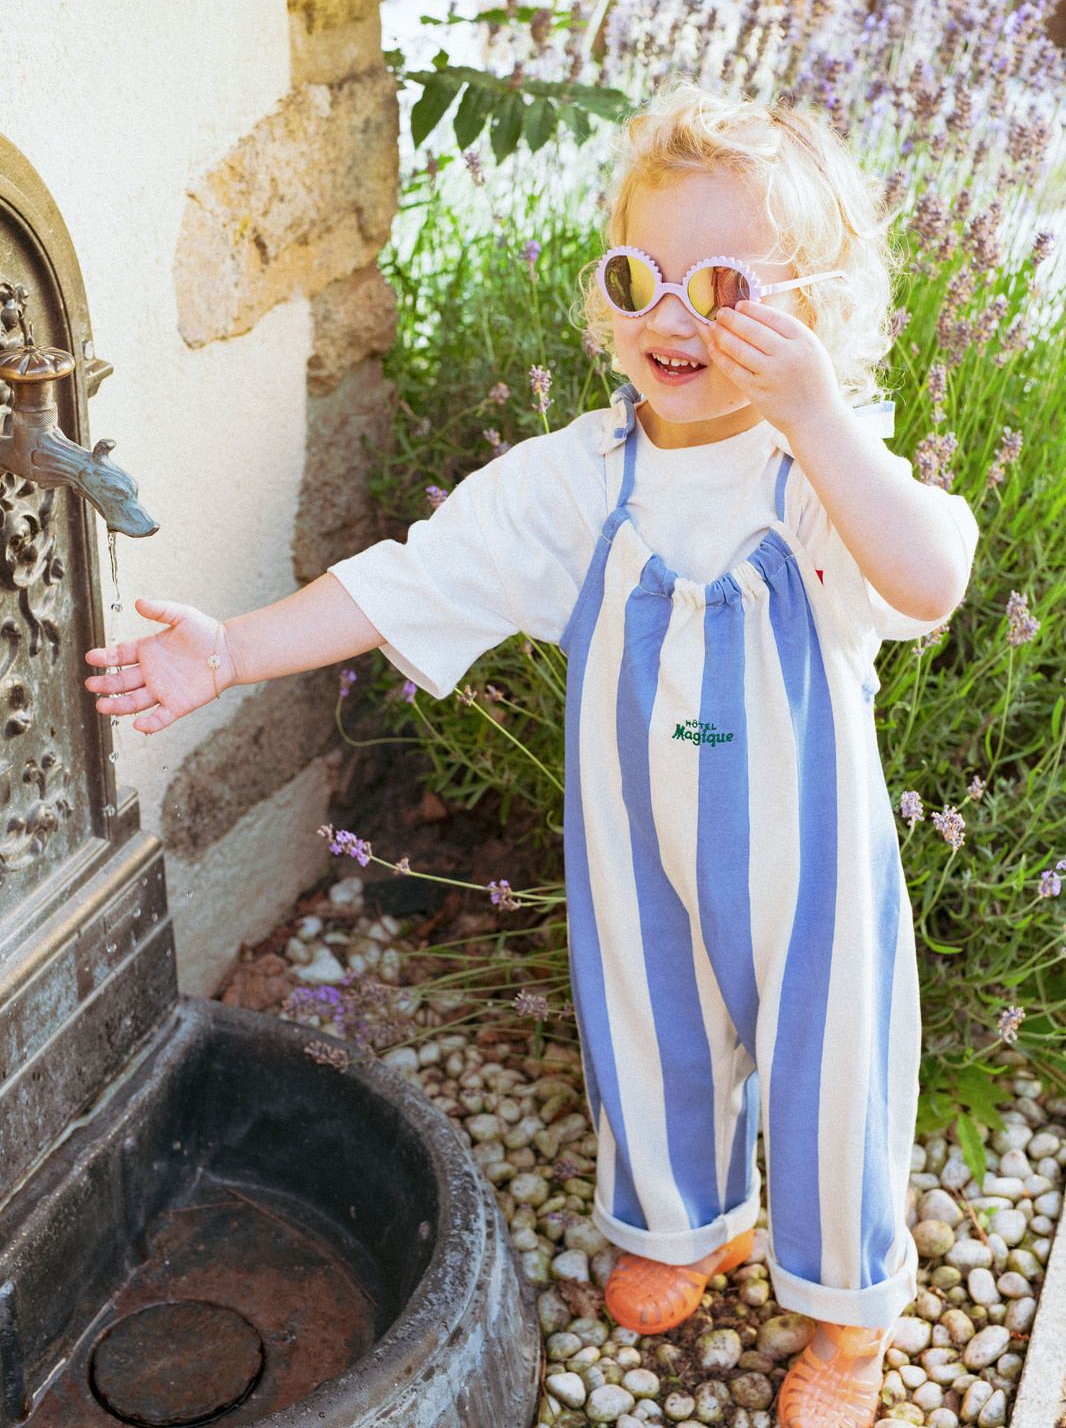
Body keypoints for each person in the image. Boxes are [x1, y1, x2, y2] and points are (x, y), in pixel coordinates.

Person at [87, 85, 978, 1428]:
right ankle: (689, 1227)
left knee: (834, 1069)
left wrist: (820, 416)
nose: (672, 318)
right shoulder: (578, 480)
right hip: (640, 853)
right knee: (650, 1032)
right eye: (638, 278)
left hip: (814, 877)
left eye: (724, 289)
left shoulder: (817, 479)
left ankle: (847, 1314)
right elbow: (410, 576)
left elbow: (926, 581)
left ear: (813, 313)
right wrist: (232, 651)